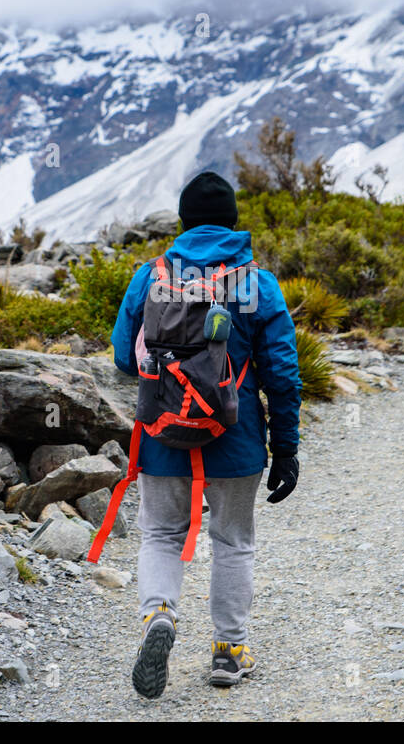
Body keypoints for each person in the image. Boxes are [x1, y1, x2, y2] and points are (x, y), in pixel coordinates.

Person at [110, 171, 301, 699]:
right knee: (233, 542)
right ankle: (228, 652)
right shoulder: (257, 283)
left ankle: (159, 617)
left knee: (162, 534)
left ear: (182, 222)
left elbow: (126, 358)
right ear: (235, 222)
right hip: (235, 439)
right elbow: (283, 373)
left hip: (163, 433)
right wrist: (285, 447)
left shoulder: (151, 276)